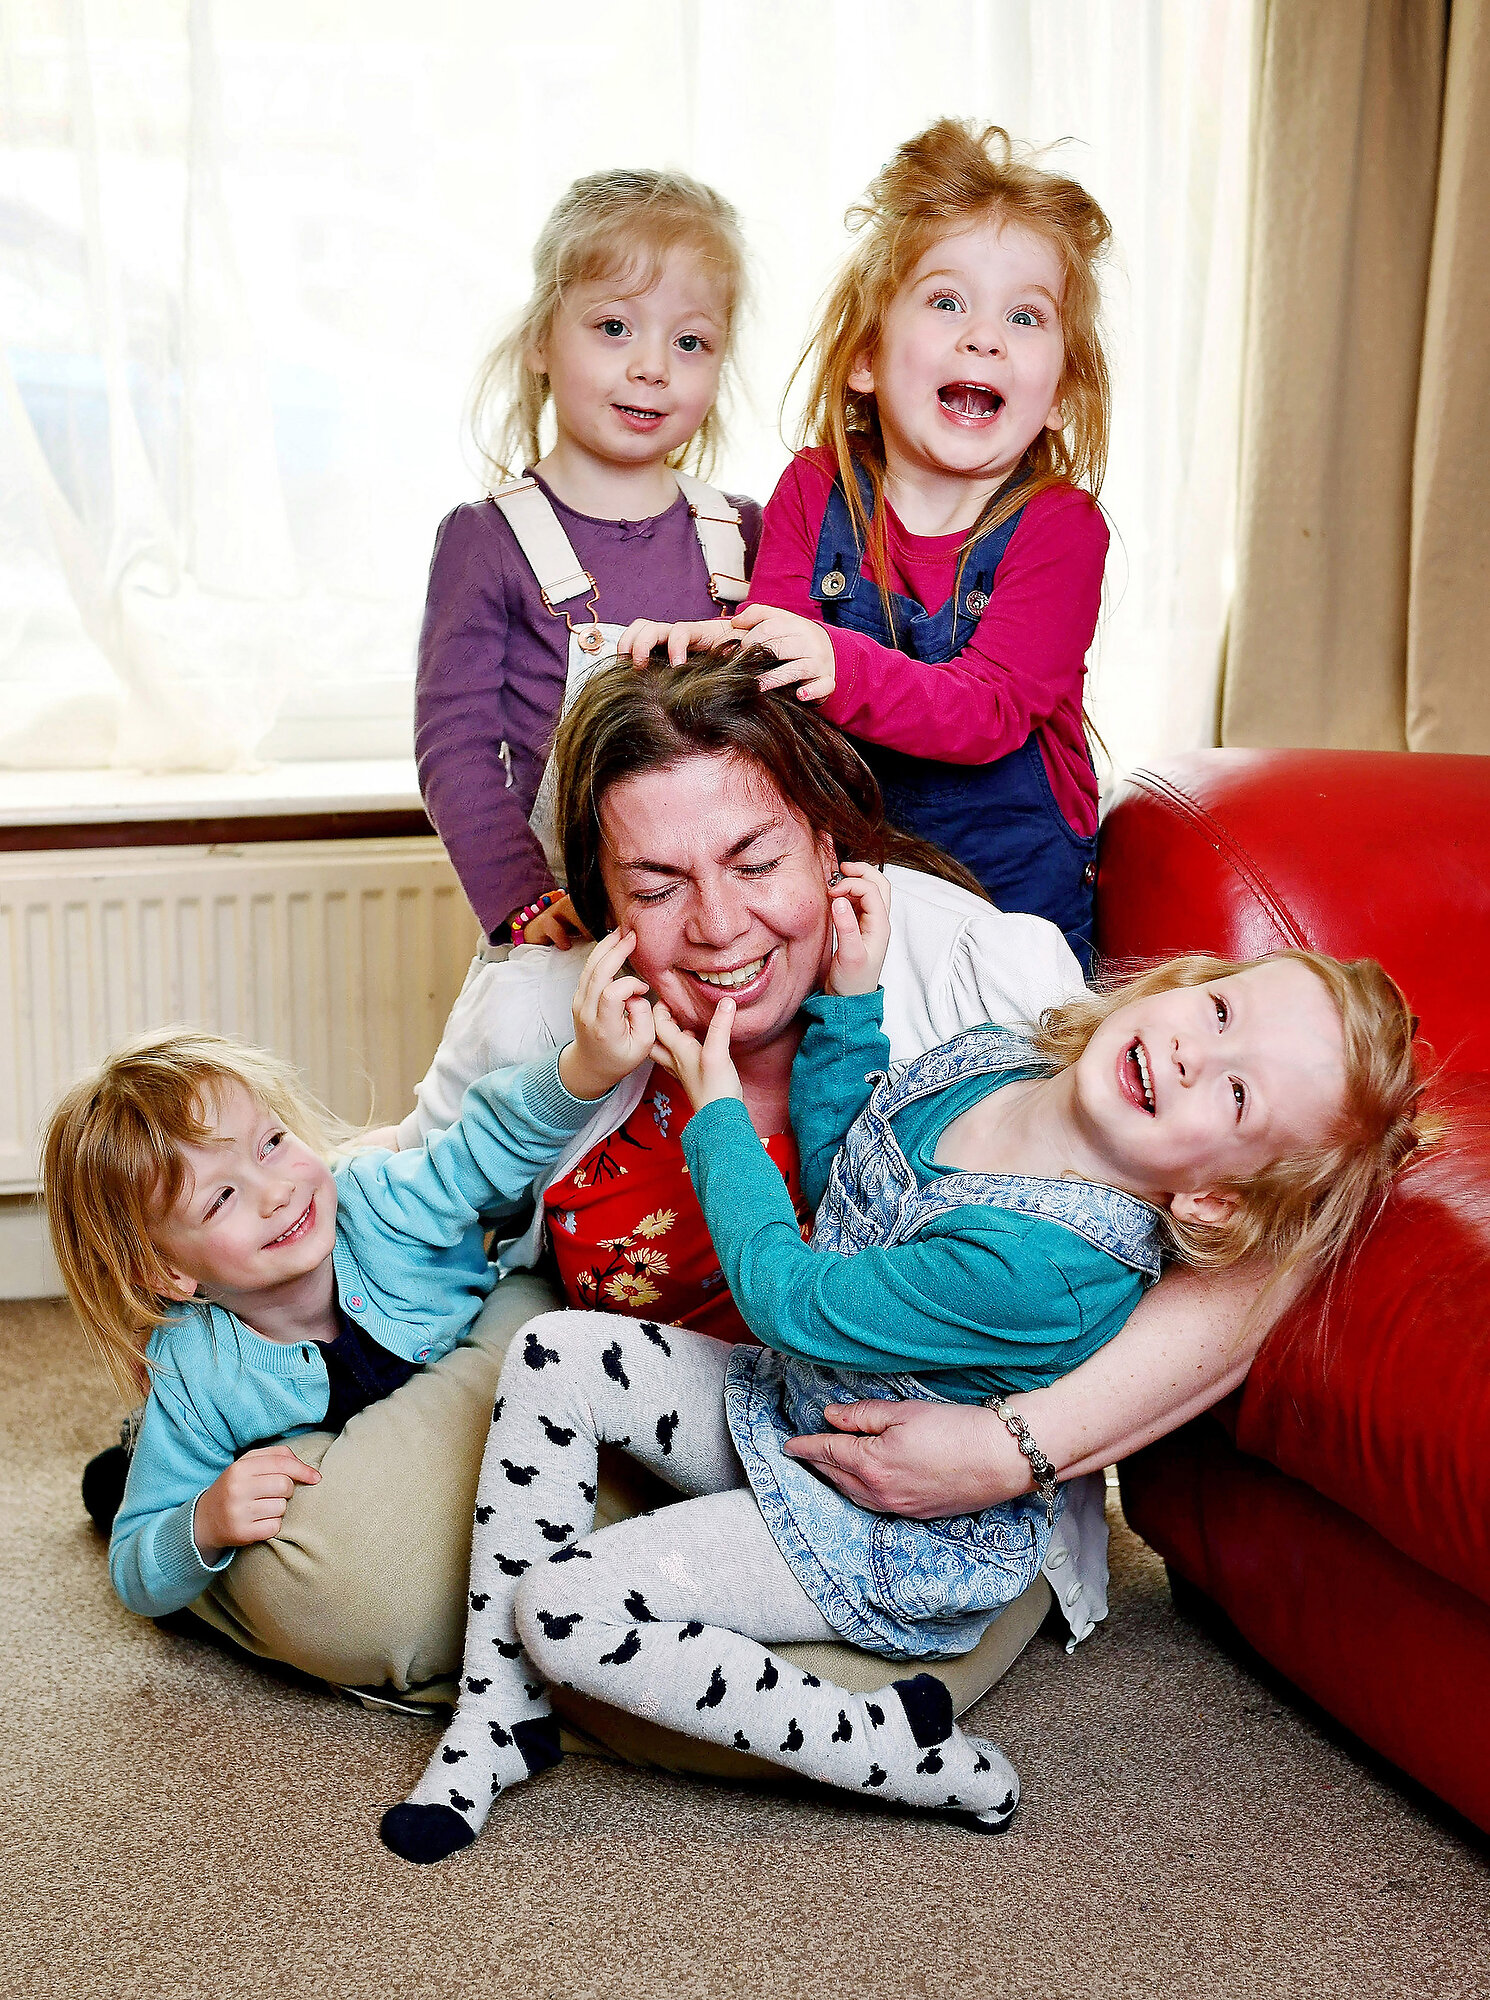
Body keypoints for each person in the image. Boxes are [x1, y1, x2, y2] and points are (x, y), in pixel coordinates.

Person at [380, 860, 1427, 1861]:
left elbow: (788, 1296)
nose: (1199, 1054)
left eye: (1237, 1097)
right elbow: (847, 1175)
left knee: (565, 1609)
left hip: (866, 1520)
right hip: (797, 1408)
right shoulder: (1008, 1058)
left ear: (1210, 1198)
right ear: (1188, 983)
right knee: (553, 1347)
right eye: (1219, 1013)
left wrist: (716, 1114)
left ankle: (886, 1743)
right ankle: (498, 1710)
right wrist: (849, 1001)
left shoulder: (1045, 1266)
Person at [619, 120, 1114, 969]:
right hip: (856, 904)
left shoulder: (1061, 528)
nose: (984, 337)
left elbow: (990, 711)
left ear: (1061, 395)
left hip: (1011, 917)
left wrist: (836, 664)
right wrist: (716, 648)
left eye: (1025, 316)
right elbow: (774, 652)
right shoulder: (816, 488)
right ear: (865, 361)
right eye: (947, 301)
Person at [42, 942, 658, 1623]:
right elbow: (135, 1572)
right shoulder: (197, 1371)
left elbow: (483, 1145)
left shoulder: (376, 1200)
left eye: (271, 1143)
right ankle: (131, 1455)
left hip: (440, 1397)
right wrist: (203, 1525)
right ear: (168, 1271)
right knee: (129, 1482)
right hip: (207, 1437)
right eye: (220, 1198)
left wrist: (585, 1070)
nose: (275, 1192)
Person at [417, 166, 761, 949]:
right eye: (614, 327)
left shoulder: (743, 530)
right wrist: (522, 897)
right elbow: (455, 748)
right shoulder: (487, 541)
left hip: (727, 922)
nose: (652, 365)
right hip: (565, 923)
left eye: (691, 341)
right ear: (541, 339)